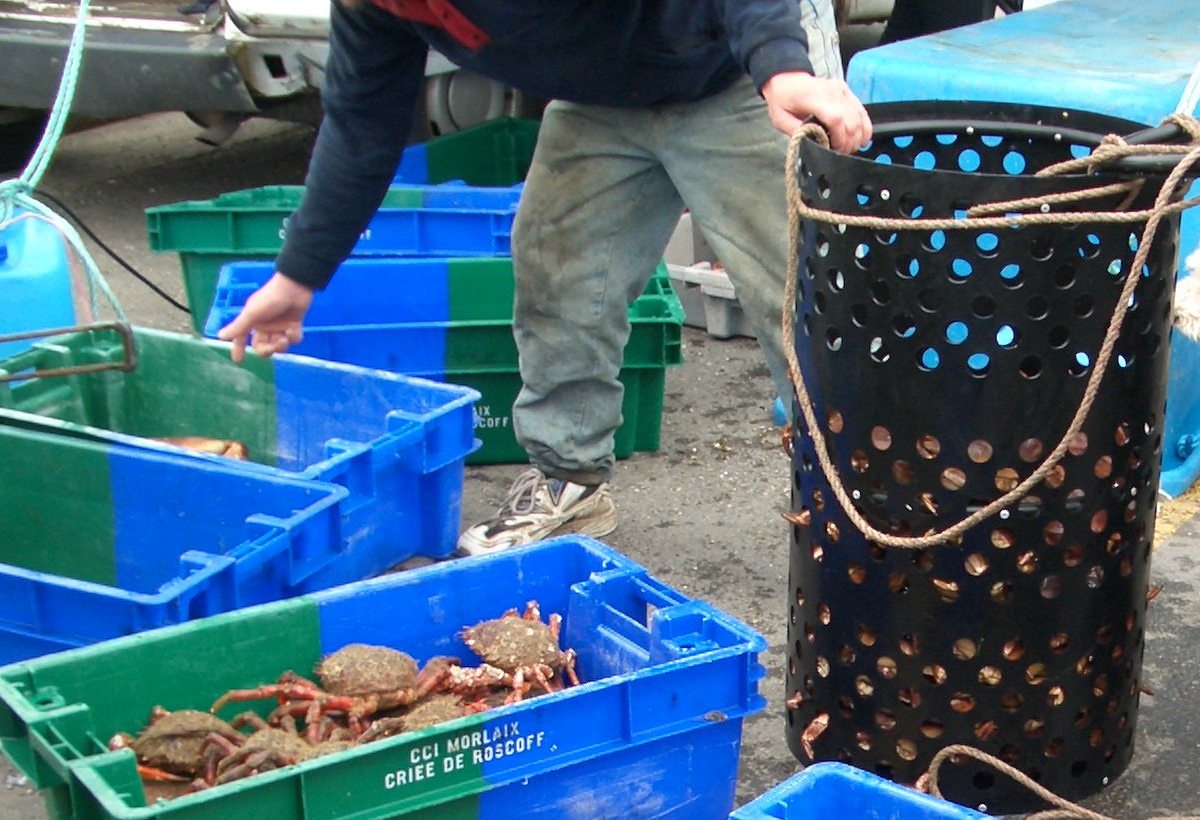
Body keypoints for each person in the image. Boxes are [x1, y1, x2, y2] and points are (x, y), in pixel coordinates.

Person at [217, 0, 872, 555]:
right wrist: (298, 277)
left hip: (732, 75)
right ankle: (570, 479)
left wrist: (782, 64)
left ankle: (881, 502)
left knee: (810, 301)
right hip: (601, 99)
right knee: (554, 269)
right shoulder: (375, 7)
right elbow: (361, 129)